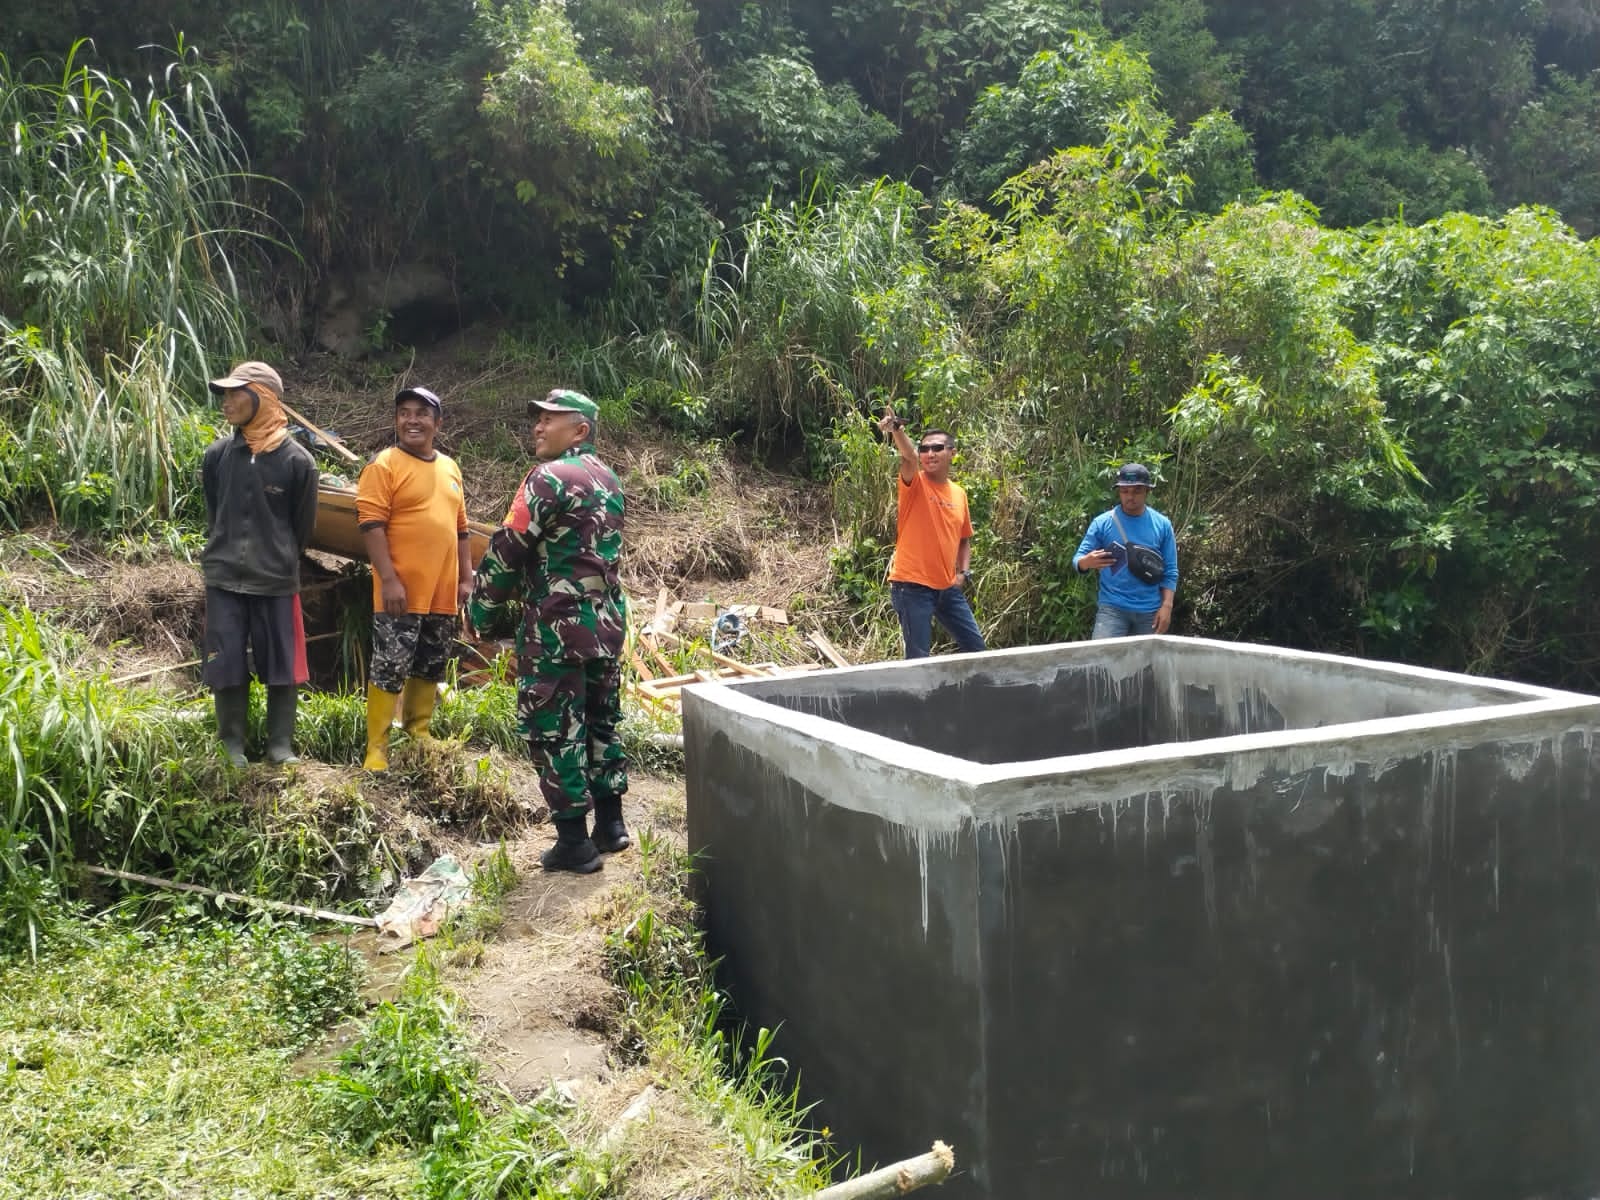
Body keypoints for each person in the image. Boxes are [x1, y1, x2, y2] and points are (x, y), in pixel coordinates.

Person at [468, 389, 628, 874]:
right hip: (605, 624)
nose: (537, 426)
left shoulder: (548, 478)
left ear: (579, 430)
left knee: (554, 728)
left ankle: (575, 844)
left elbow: (507, 551)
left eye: (550, 420)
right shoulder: (609, 479)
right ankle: (612, 825)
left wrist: (479, 616)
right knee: (601, 720)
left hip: (557, 628)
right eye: (536, 418)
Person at [201, 360, 319, 766]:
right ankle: (231, 743)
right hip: (224, 577)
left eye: (236, 393)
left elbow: (301, 528)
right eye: (226, 395)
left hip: (275, 579)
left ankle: (279, 745)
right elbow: (215, 511)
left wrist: (279, 555)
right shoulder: (218, 456)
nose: (227, 403)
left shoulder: (298, 462)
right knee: (226, 658)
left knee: (281, 661)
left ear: (263, 398)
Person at [355, 386, 472, 770]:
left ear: (437, 423)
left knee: (431, 662)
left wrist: (466, 579)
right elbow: (370, 525)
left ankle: (418, 730)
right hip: (399, 591)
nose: (412, 420)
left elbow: (461, 530)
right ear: (396, 421)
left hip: (442, 592)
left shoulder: (450, 468)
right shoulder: (384, 465)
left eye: (421, 413)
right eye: (404, 413)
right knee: (390, 665)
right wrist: (387, 579)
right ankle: (377, 747)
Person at [875, 407, 986, 659]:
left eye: (937, 448)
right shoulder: (915, 483)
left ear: (952, 453)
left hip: (947, 587)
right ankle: (915, 699)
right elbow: (909, 458)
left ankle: (972, 697)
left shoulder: (959, 493)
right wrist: (897, 429)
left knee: (977, 651)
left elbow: (963, 537)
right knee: (918, 660)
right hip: (912, 586)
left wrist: (963, 573)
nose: (929, 453)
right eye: (925, 449)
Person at [1073, 463, 1178, 638]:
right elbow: (1077, 559)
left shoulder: (1162, 525)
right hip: (1112, 609)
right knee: (1102, 661)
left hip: (1150, 611)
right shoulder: (1102, 523)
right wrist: (1086, 562)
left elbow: (1171, 570)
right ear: (1119, 492)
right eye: (1125, 491)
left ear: (1147, 491)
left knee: (1148, 665)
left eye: (1137, 491)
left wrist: (1167, 606)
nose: (1130, 496)